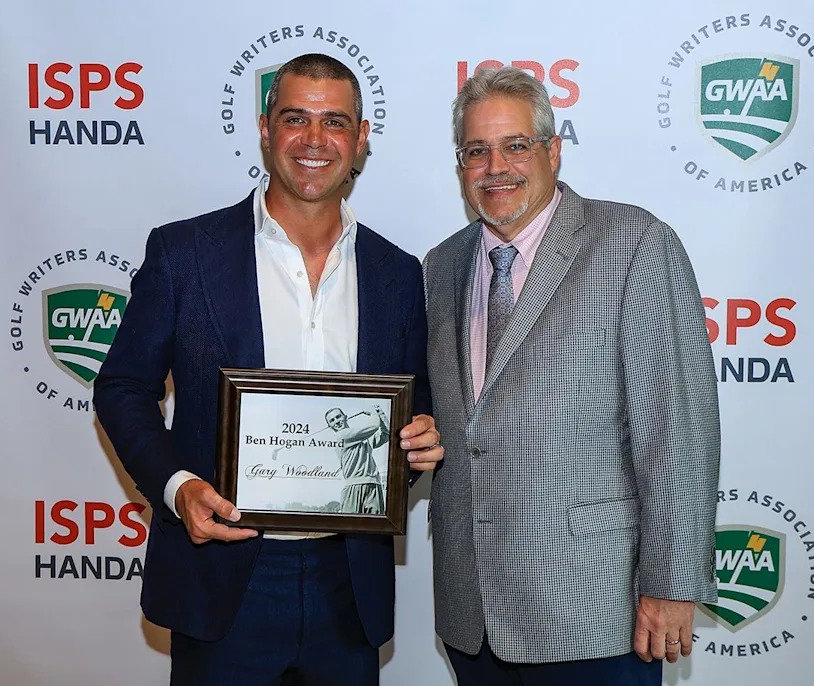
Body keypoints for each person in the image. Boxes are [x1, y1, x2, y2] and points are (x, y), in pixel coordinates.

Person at [94, 53, 442, 686]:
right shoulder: (184, 253)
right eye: (295, 119)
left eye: (335, 121)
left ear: (361, 139)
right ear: (264, 129)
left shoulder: (398, 274)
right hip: (224, 575)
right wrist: (178, 488)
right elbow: (122, 387)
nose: (315, 140)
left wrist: (421, 439)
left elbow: (416, 408)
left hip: (349, 584)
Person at [423, 66, 720, 685]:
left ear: (552, 150)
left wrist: (670, 583)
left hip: (595, 613)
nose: (494, 166)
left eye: (515, 145)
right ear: (460, 165)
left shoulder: (633, 242)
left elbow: (676, 428)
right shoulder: (442, 265)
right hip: (472, 613)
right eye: (476, 150)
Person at [325, 405, 390, 514]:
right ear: (330, 426)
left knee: (375, 526)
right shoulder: (341, 436)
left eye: (338, 417)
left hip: (374, 485)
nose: (336, 421)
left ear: (345, 417)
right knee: (350, 527)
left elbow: (387, 434)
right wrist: (373, 413)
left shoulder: (363, 437)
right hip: (353, 487)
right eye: (332, 420)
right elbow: (374, 426)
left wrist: (380, 413)